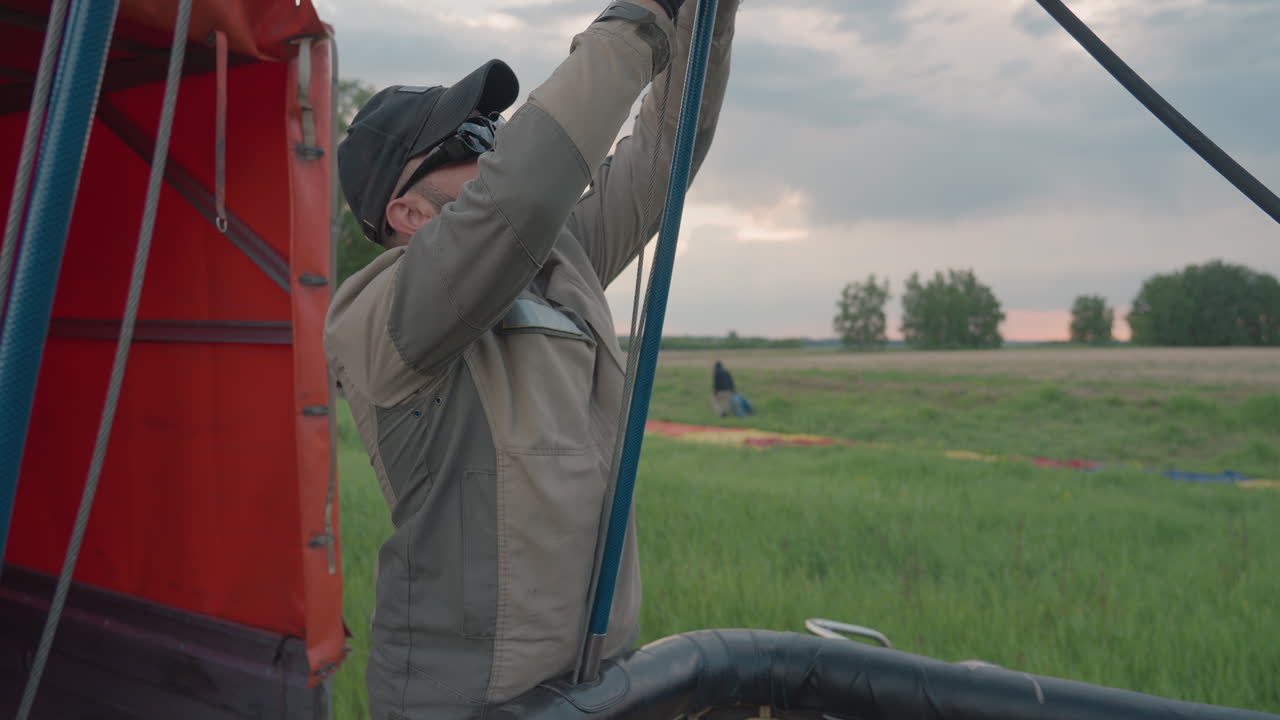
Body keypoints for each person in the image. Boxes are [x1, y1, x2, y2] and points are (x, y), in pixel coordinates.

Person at [323, 0, 738, 717]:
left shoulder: (562, 257)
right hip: (471, 702)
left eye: (493, 130)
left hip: (606, 685)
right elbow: (524, 185)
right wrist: (639, 21)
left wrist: (702, 20)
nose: (491, 144)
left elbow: (663, 153)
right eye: (465, 142)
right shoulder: (378, 314)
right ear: (407, 214)